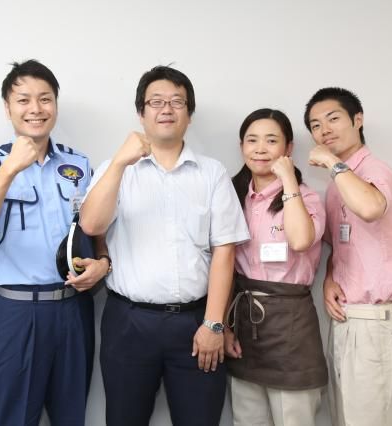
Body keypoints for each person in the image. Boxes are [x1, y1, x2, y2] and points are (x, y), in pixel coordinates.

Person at [79, 65, 250, 426]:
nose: (167, 109)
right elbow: (91, 224)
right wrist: (121, 162)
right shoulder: (116, 168)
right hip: (128, 323)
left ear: (189, 114)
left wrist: (214, 324)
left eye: (177, 102)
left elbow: (225, 251)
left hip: (197, 322)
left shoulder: (212, 173)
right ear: (141, 113)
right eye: (156, 102)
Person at [0, 59, 110, 426]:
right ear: (7, 108)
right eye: (24, 100)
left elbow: (95, 230)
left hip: (74, 309)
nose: (36, 109)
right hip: (18, 311)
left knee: (71, 414)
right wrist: (11, 167)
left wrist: (102, 263)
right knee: (15, 416)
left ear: (55, 104)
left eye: (45, 99)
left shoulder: (78, 164)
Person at [305, 87, 392, 426]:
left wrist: (331, 162)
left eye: (333, 118)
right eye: (315, 125)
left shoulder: (375, 171)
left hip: (372, 323)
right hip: (345, 321)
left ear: (357, 120)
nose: (324, 130)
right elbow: (339, 245)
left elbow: (370, 208)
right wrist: (330, 278)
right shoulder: (338, 184)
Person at [225, 108, 328, 426]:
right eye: (252, 140)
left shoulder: (306, 198)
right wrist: (224, 326)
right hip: (244, 323)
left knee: (294, 418)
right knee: (247, 419)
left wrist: (288, 179)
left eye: (271, 141)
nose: (260, 149)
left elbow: (300, 240)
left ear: (288, 148)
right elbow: (224, 265)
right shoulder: (233, 195)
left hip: (291, 327)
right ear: (241, 146)